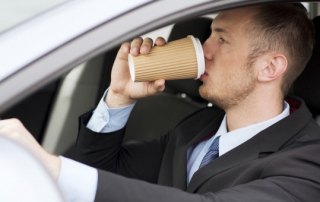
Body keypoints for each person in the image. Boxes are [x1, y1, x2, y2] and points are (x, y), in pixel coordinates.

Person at [0, 3, 320, 202]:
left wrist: (50, 167)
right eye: (208, 35)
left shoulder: (307, 163)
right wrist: (119, 96)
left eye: (221, 39)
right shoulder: (198, 126)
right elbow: (94, 170)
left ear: (270, 68)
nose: (202, 49)